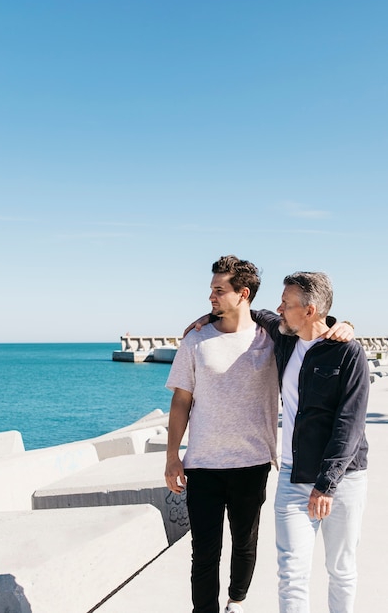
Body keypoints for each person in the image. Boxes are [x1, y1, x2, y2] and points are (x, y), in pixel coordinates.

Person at [165, 255, 279, 613]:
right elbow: (181, 402)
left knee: (245, 544)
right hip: (202, 464)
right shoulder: (195, 341)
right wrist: (172, 457)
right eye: (211, 290)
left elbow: (311, 329)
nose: (211, 297)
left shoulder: (271, 341)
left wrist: (347, 325)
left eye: (219, 290)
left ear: (243, 294)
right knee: (204, 552)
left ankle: (236, 601)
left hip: (253, 462)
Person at [252, 272, 368, 613]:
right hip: (292, 476)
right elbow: (257, 313)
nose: (279, 308)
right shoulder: (286, 338)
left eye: (287, 304)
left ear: (310, 310)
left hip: (343, 480)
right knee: (291, 573)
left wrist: (326, 484)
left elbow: (349, 423)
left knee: (341, 569)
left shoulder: (348, 353)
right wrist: (209, 316)